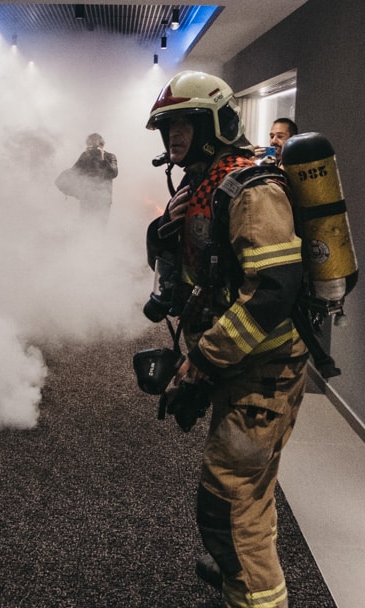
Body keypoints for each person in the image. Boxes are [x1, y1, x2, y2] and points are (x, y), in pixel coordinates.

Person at [144, 71, 308, 608]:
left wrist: (202, 362)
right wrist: (163, 236)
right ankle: (246, 569)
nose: (173, 137)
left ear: (215, 124)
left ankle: (254, 590)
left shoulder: (252, 190)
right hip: (239, 366)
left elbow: (272, 290)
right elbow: (200, 268)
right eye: (167, 128)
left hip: (261, 370)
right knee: (249, 494)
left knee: (228, 506)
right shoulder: (205, 182)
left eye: (184, 125)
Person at [57, 132, 118, 223]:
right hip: (87, 199)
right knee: (85, 225)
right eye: (91, 145)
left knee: (100, 226)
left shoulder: (110, 156)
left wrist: (102, 159)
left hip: (103, 200)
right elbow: (74, 173)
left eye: (96, 145)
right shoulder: (85, 156)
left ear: (101, 145)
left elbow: (113, 173)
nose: (94, 149)